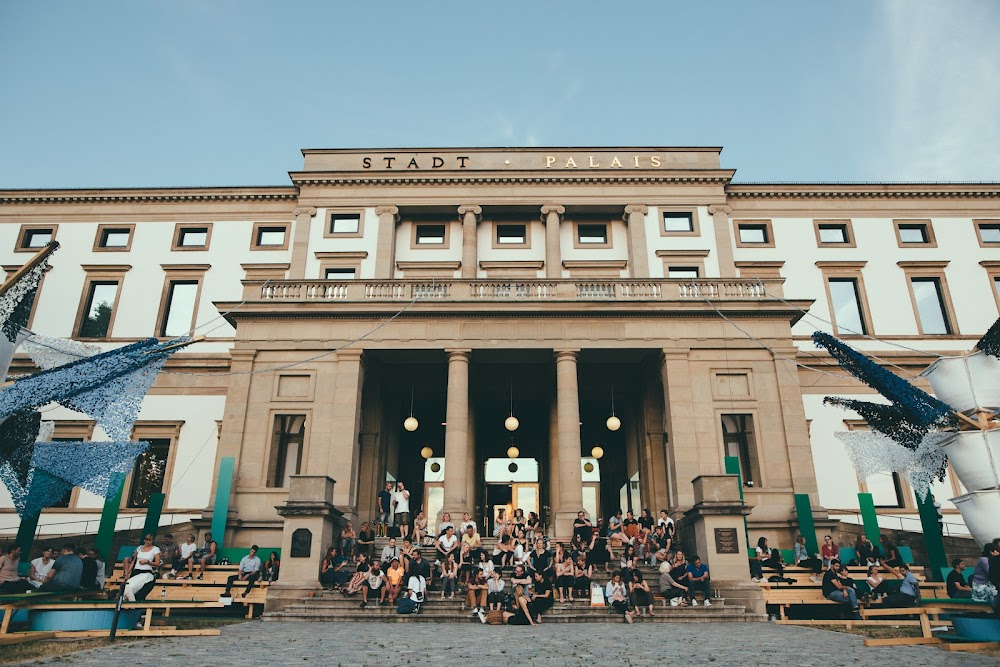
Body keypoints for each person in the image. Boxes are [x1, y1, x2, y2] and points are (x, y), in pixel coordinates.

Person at [121, 535, 160, 601]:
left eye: (150, 540)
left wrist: (147, 562)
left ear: (152, 541)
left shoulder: (155, 549)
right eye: (147, 540)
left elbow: (157, 563)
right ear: (144, 540)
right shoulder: (139, 548)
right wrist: (127, 574)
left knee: (140, 593)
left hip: (146, 572)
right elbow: (134, 561)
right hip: (136, 571)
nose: (148, 542)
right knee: (129, 589)